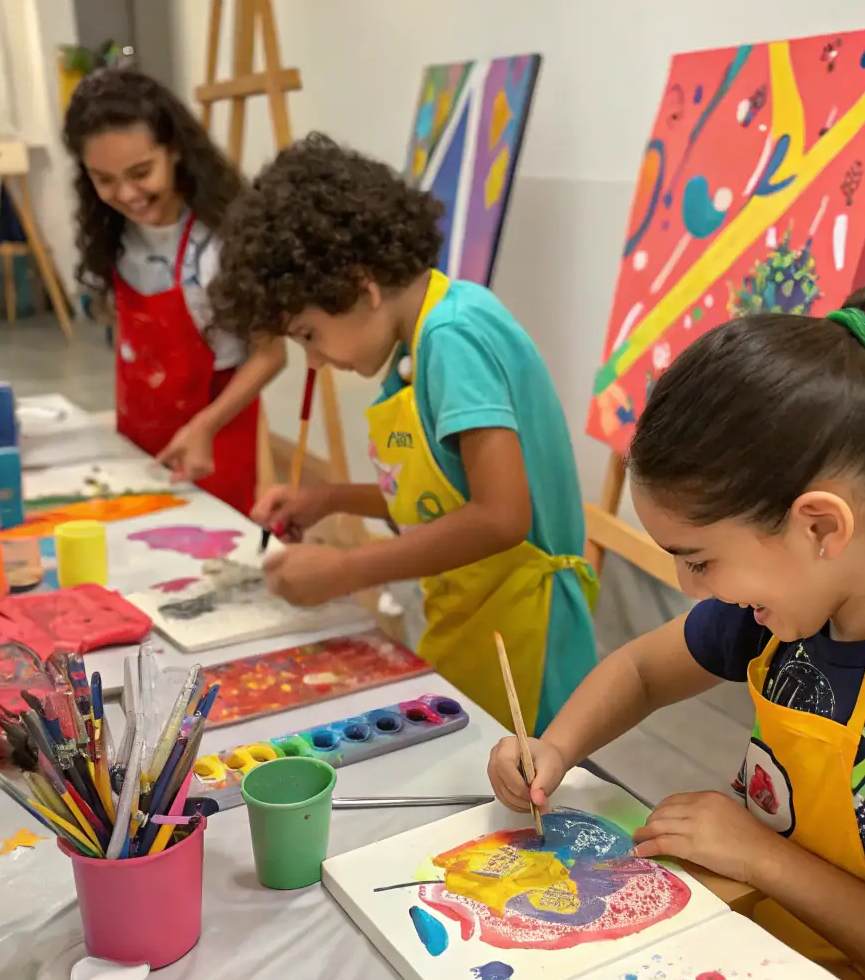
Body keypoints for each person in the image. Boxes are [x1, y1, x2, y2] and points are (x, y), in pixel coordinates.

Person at [489, 272, 865, 980]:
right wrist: (555, 747)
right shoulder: (794, 599)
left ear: (820, 524)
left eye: (700, 561)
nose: (691, 589)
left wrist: (765, 858)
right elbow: (641, 669)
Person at [210, 132, 598, 735]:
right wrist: (329, 499)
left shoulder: (452, 335)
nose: (313, 360)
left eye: (309, 334)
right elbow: (444, 500)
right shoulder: (418, 346)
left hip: (530, 636)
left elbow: (501, 518)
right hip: (479, 619)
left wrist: (347, 568)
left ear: (359, 286)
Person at [63, 70, 285, 516]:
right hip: (140, 436)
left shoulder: (220, 243)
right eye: (104, 179)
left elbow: (271, 355)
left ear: (175, 150)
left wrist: (205, 426)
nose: (126, 194)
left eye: (141, 173)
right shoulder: (115, 236)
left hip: (214, 439)